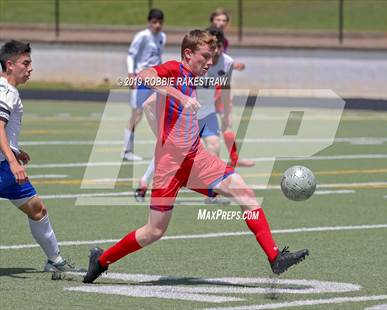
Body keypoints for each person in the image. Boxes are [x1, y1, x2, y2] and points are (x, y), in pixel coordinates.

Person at [83, 30, 309, 283]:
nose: (210, 62)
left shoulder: (194, 78)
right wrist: (177, 100)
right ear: (188, 54)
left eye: (212, 57)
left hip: (196, 159)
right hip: (169, 167)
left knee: (245, 193)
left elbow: (150, 106)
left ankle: (275, 257)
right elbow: (145, 76)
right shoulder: (173, 69)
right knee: (153, 231)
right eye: (205, 56)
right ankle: (101, 261)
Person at [133, 27, 254, 204]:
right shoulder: (191, 65)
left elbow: (226, 87)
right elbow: (151, 93)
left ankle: (214, 191)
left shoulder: (226, 63)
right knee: (171, 151)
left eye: (218, 48)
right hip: (188, 113)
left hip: (207, 112)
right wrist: (175, 101)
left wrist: (227, 111)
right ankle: (145, 180)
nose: (213, 55)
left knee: (213, 145)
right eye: (210, 51)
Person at [0, 40, 84, 272]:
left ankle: (54, 261)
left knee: (38, 210)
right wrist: (12, 161)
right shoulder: (6, 91)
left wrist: (15, 150)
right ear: (9, 65)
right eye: (25, 63)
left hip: (5, 167)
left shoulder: (5, 90)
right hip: (4, 167)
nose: (30, 69)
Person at [122, 8, 166, 161]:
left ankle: (164, 148)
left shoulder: (162, 37)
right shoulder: (142, 36)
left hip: (154, 79)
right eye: (154, 22)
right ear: (149, 22)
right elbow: (131, 55)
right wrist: (130, 73)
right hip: (141, 79)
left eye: (160, 22)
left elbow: (158, 59)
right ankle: (126, 150)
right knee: (137, 113)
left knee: (161, 111)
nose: (157, 25)